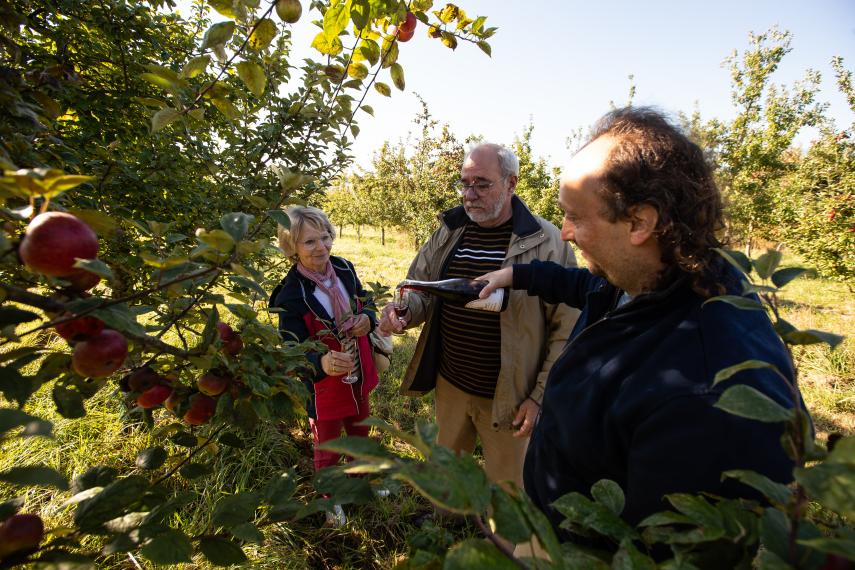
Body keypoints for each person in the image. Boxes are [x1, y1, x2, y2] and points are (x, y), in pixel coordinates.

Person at [476, 107, 809, 537]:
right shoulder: (651, 276)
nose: (565, 233)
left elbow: (657, 549)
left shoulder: (704, 394)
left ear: (639, 222)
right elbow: (581, 286)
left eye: (576, 216)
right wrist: (516, 274)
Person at [378, 143, 578, 488]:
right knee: (446, 471)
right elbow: (421, 287)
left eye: (481, 183)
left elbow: (567, 328)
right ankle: (445, 527)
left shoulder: (547, 242)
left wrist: (539, 397)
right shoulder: (450, 231)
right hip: (451, 381)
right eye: (464, 183)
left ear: (511, 182)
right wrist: (403, 312)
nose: (469, 195)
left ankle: (503, 541)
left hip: (510, 394)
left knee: (509, 485)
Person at [268, 206, 379, 525]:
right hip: (323, 383)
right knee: (328, 443)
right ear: (292, 247)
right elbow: (291, 346)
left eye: (326, 237)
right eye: (310, 242)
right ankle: (329, 500)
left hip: (356, 368)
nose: (322, 247)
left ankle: (361, 483)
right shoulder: (291, 294)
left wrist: (367, 319)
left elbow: (365, 299)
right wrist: (321, 361)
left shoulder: (344, 269)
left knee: (360, 429)